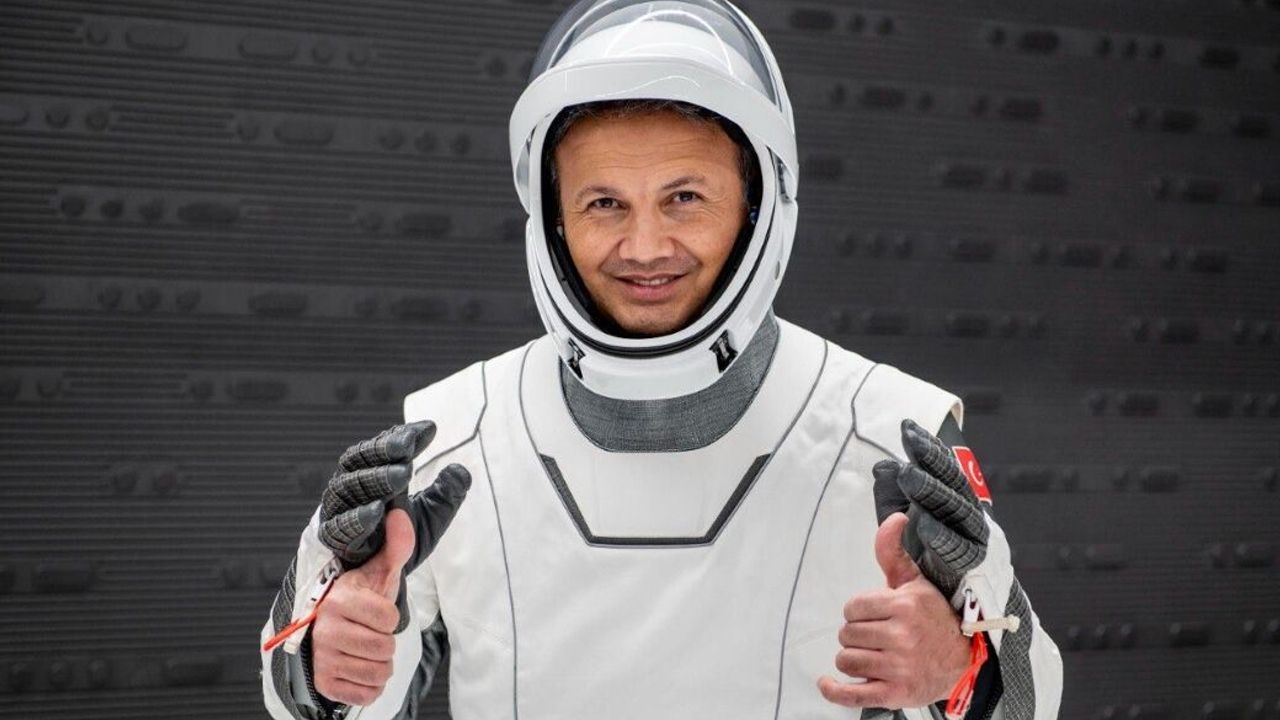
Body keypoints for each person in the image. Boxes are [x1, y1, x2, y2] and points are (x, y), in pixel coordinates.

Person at [259, 1, 1063, 719]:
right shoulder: (455, 439)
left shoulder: (891, 435)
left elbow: (1029, 703)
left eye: (684, 198)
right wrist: (330, 653)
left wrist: (960, 669)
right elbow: (327, 704)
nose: (644, 248)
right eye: (604, 203)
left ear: (758, 206)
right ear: (554, 220)